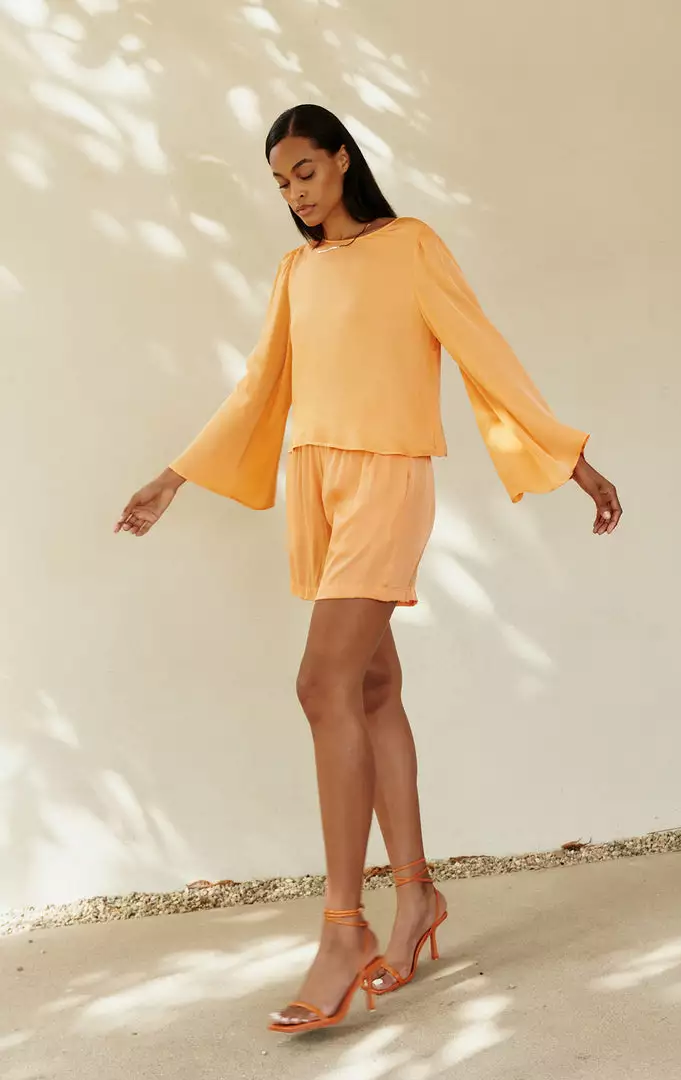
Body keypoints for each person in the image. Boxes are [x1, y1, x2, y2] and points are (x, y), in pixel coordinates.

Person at [115, 104, 622, 1034]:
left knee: (321, 684)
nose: (295, 194)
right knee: (373, 688)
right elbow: (260, 384)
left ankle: (342, 929)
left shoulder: (410, 246)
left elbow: (482, 352)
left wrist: (570, 457)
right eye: (280, 182)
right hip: (315, 485)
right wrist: (173, 477)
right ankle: (418, 896)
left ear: (343, 160)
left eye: (305, 172)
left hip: (387, 478)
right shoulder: (295, 270)